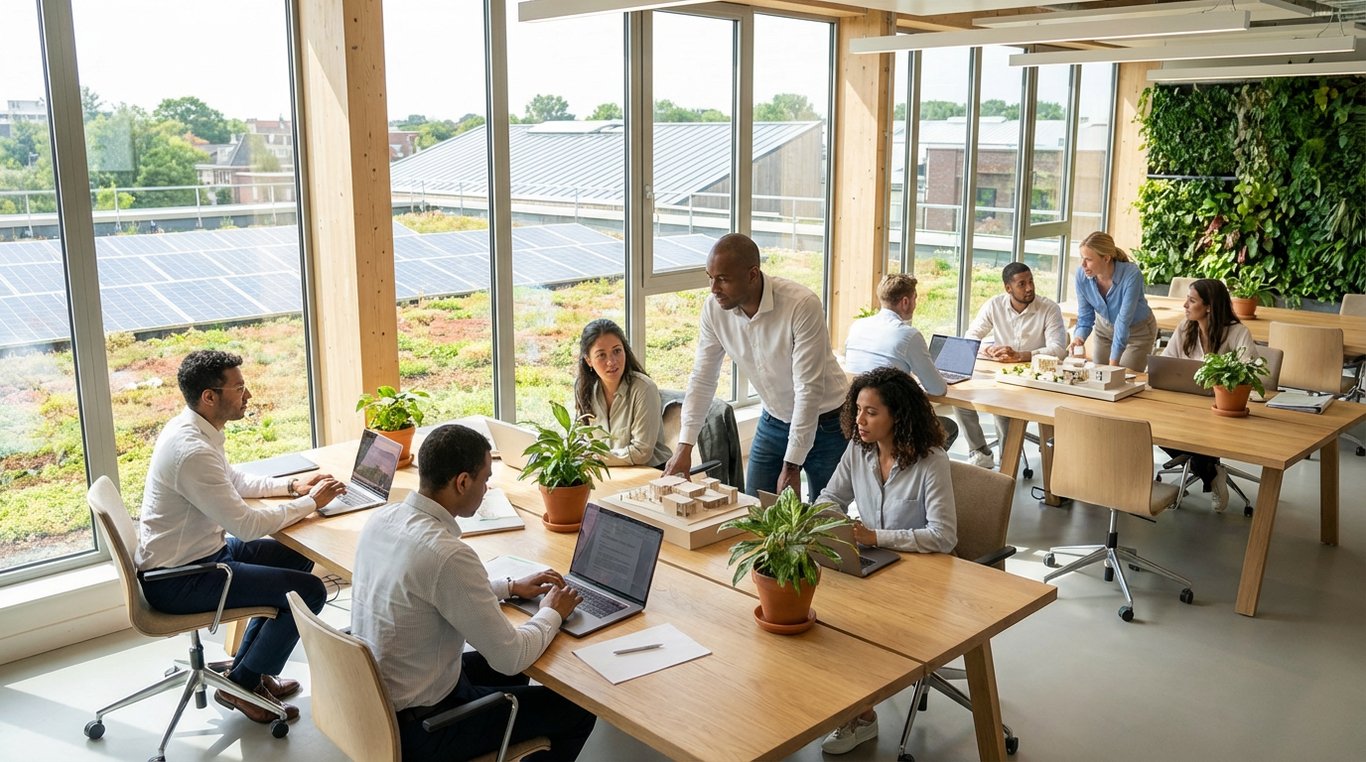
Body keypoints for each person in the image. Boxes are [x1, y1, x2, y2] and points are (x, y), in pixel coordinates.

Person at [351, 424, 596, 761]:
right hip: (426, 729)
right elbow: (511, 658)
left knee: (519, 668)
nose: (487, 488)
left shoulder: (384, 519)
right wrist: (551, 611)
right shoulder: (446, 554)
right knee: (577, 708)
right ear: (462, 482)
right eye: (484, 479)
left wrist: (508, 588)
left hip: (381, 706)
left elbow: (425, 591)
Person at [136, 350, 347, 724]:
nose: (247, 395)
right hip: (183, 578)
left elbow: (233, 482)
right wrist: (312, 502)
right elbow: (246, 525)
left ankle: (247, 670)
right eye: (239, 388)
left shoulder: (194, 430)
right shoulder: (191, 451)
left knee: (294, 558)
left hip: (198, 554)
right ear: (209, 397)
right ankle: (245, 685)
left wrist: (293, 486)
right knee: (311, 591)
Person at [815, 366, 957, 755]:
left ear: (898, 415)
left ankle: (860, 717)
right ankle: (839, 706)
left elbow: (943, 537)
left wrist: (875, 536)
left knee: (852, 625)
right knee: (817, 612)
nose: (859, 420)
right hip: (874, 564)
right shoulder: (858, 450)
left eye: (871, 412)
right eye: (857, 409)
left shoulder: (932, 461)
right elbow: (830, 497)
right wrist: (833, 522)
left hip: (924, 575)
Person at [664, 233, 848, 500]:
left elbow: (808, 390)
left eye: (723, 279)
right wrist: (684, 447)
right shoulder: (714, 310)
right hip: (773, 420)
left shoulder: (801, 305)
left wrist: (792, 464)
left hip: (827, 423)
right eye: (710, 277)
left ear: (752, 274)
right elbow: (702, 378)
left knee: (826, 517)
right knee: (754, 511)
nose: (713, 288)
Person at [1161, 278, 1259, 512]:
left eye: (1192, 300)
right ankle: (1212, 472)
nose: (1185, 305)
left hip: (1221, 409)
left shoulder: (1237, 333)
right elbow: (1164, 362)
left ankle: (1205, 470)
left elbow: (1251, 371)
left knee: (1192, 435)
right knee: (1154, 428)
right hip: (1184, 405)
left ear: (1209, 307)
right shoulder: (1185, 328)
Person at [958, 262, 1068, 469]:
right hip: (1001, 373)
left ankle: (1008, 462)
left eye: (1031, 281)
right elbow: (971, 336)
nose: (1029, 288)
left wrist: (1021, 355)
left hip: (1036, 376)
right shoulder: (995, 305)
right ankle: (980, 451)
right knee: (959, 398)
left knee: (1003, 411)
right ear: (1008, 288)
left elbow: (1059, 349)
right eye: (1021, 284)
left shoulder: (1049, 308)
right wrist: (988, 349)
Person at [843, 272, 960, 449]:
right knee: (948, 426)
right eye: (915, 298)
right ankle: (913, 470)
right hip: (891, 424)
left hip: (855, 420)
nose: (915, 304)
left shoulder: (857, 326)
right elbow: (938, 389)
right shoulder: (908, 335)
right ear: (905, 301)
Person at [574, 318, 670, 467]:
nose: (612, 361)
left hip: (649, 472)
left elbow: (641, 452)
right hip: (609, 472)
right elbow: (579, 438)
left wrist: (595, 457)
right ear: (588, 360)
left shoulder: (644, 389)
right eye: (601, 355)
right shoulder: (584, 387)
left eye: (617, 351)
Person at [1070, 231, 1159, 372]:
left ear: (1106, 258)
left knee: (1125, 378)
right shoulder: (1082, 276)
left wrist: (1113, 364)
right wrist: (1078, 338)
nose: (1083, 265)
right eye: (1082, 258)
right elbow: (1085, 315)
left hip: (1137, 333)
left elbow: (1123, 321)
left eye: (1088, 259)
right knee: (1097, 376)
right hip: (1104, 331)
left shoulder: (1131, 275)